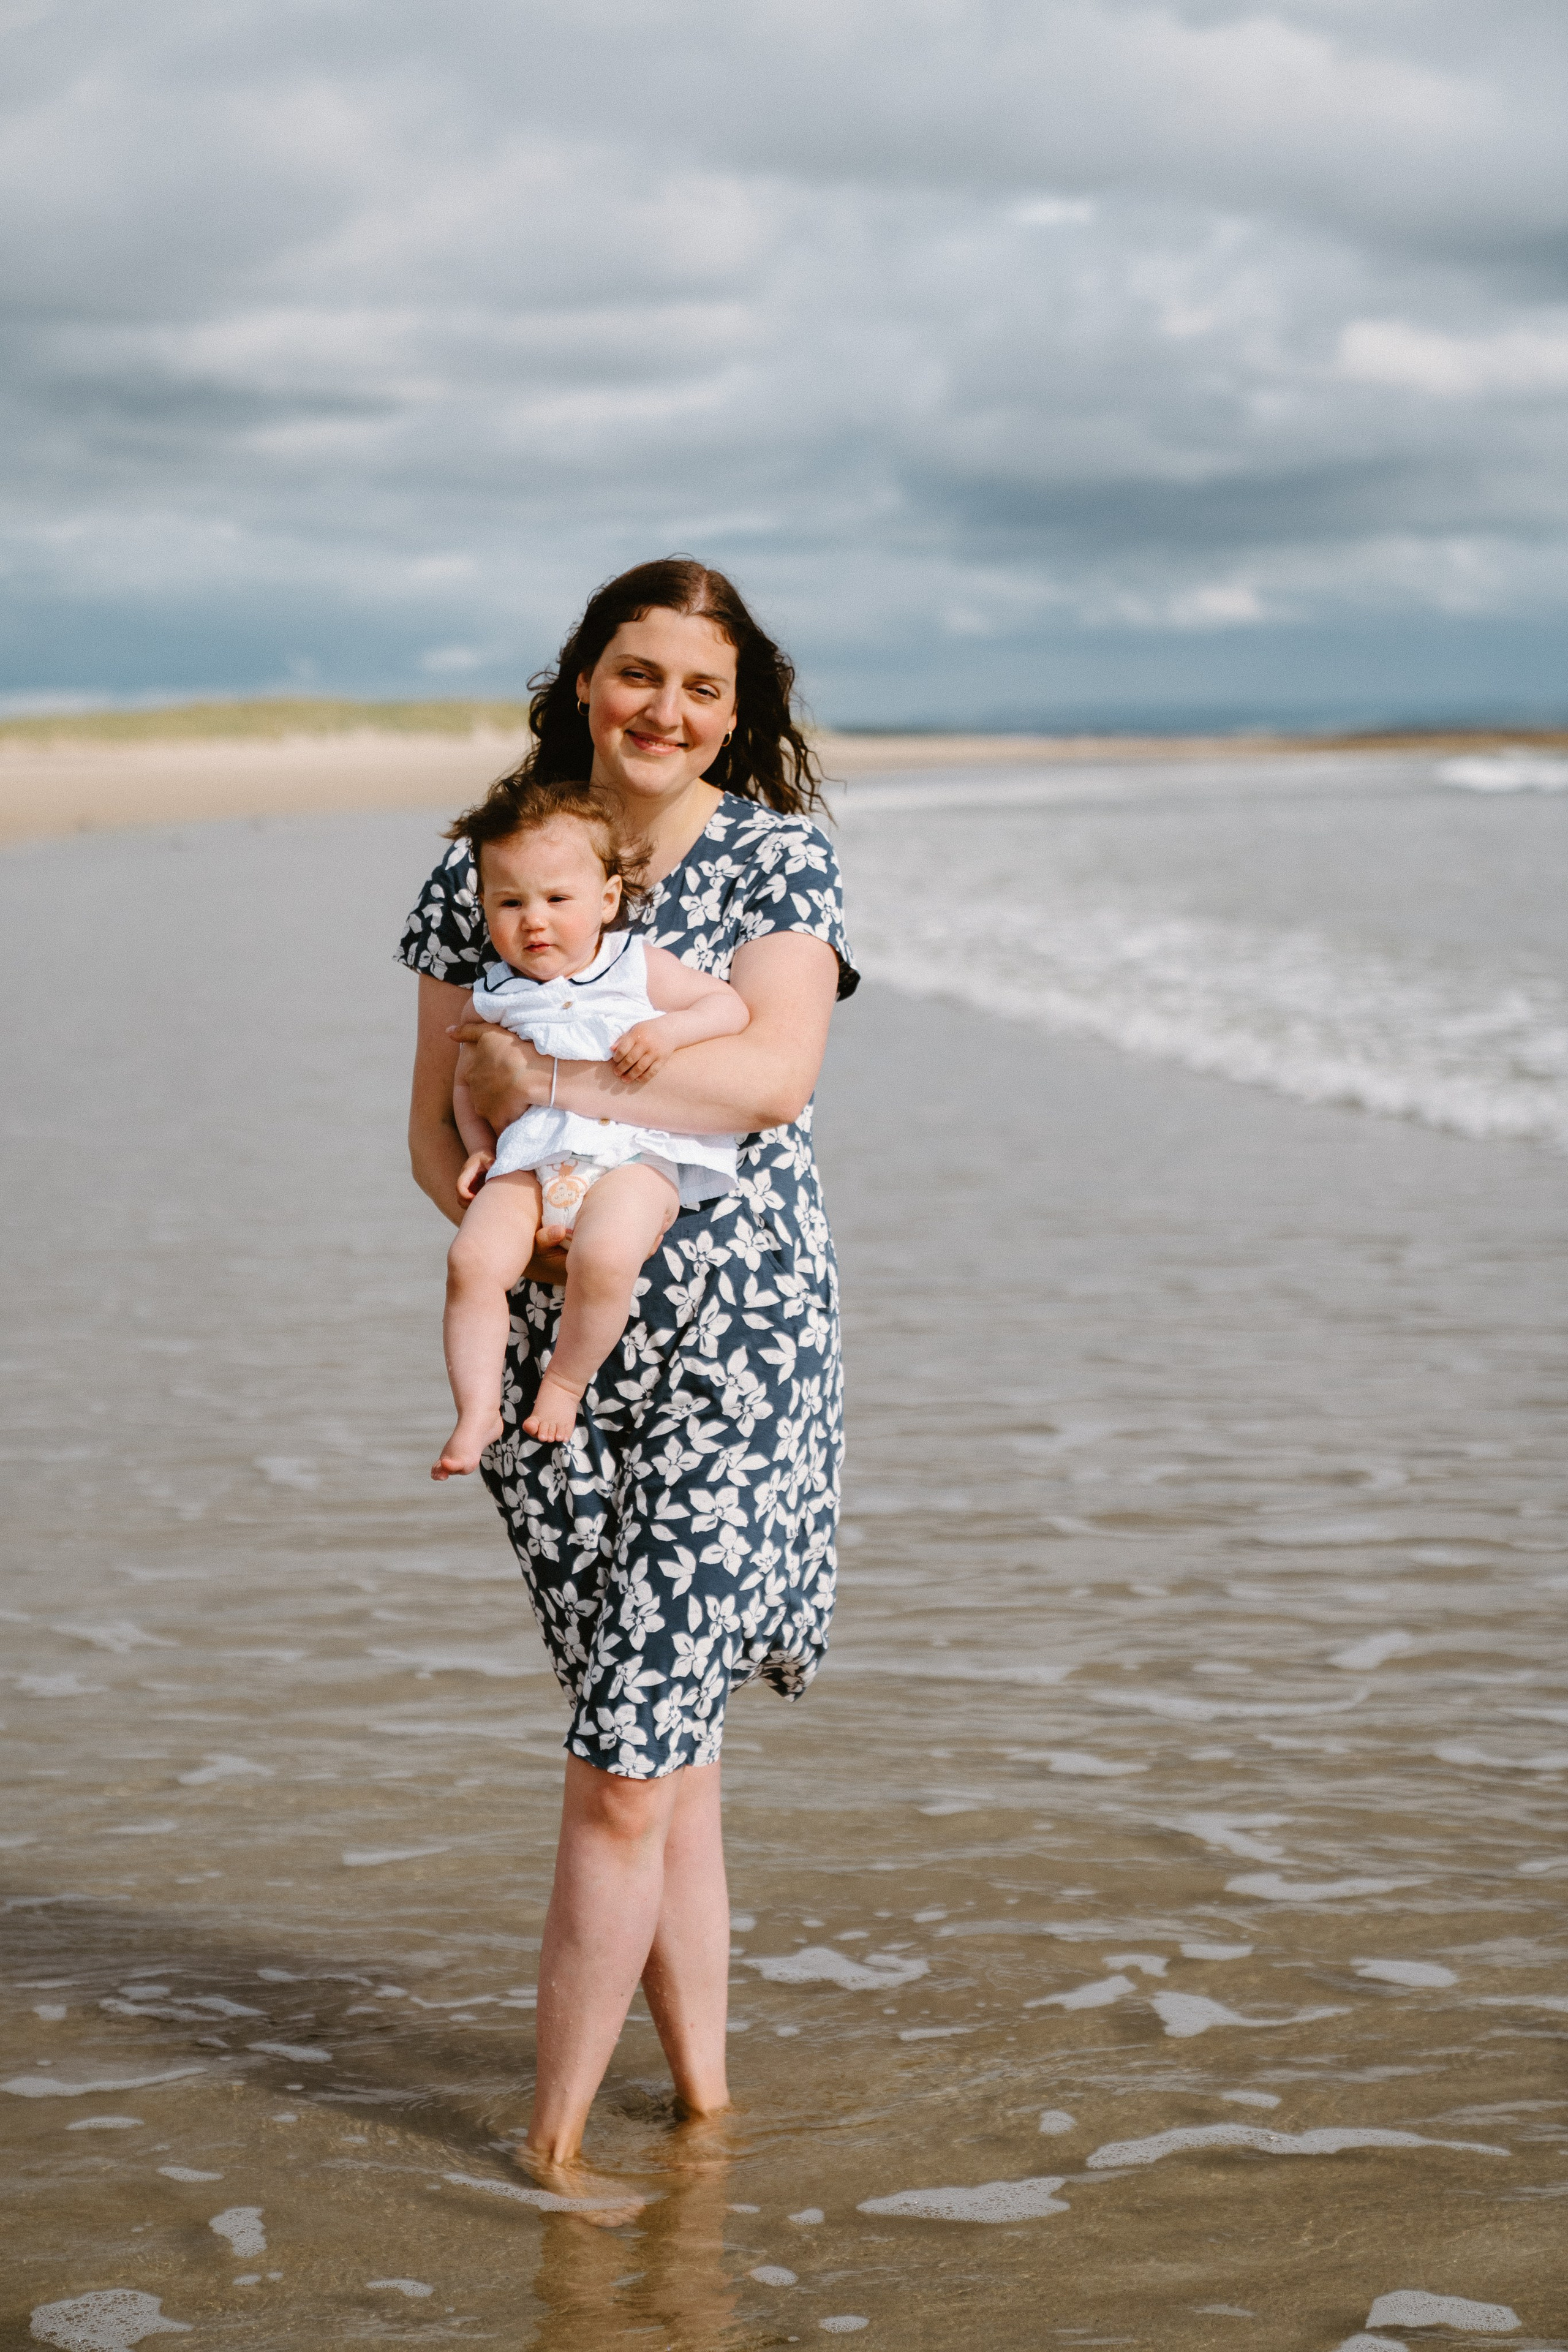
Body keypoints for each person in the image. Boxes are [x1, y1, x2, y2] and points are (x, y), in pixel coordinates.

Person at [402, 555, 856, 2185]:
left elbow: (774, 1076)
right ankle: (709, 2112)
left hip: (739, 1358)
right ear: (586, 678)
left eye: (704, 687)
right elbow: (430, 1127)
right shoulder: (491, 862)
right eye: (637, 672)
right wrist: (501, 1190)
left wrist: (553, 1083)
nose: (667, 709)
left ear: (739, 714)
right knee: (665, 1757)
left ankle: (553, 2157)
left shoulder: (778, 861)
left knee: (618, 1767)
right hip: (555, 1372)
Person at [432, 776, 751, 1474]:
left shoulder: (635, 967)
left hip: (634, 1155)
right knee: (471, 1262)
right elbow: (466, 1085)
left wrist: (667, 1034)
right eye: (509, 902)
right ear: (484, 907)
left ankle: (565, 1382)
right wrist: (480, 1149)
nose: (533, 921)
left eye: (556, 900)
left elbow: (727, 1009)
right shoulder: (494, 995)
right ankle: (477, 1408)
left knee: (605, 1258)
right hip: (530, 1157)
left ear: (607, 900)